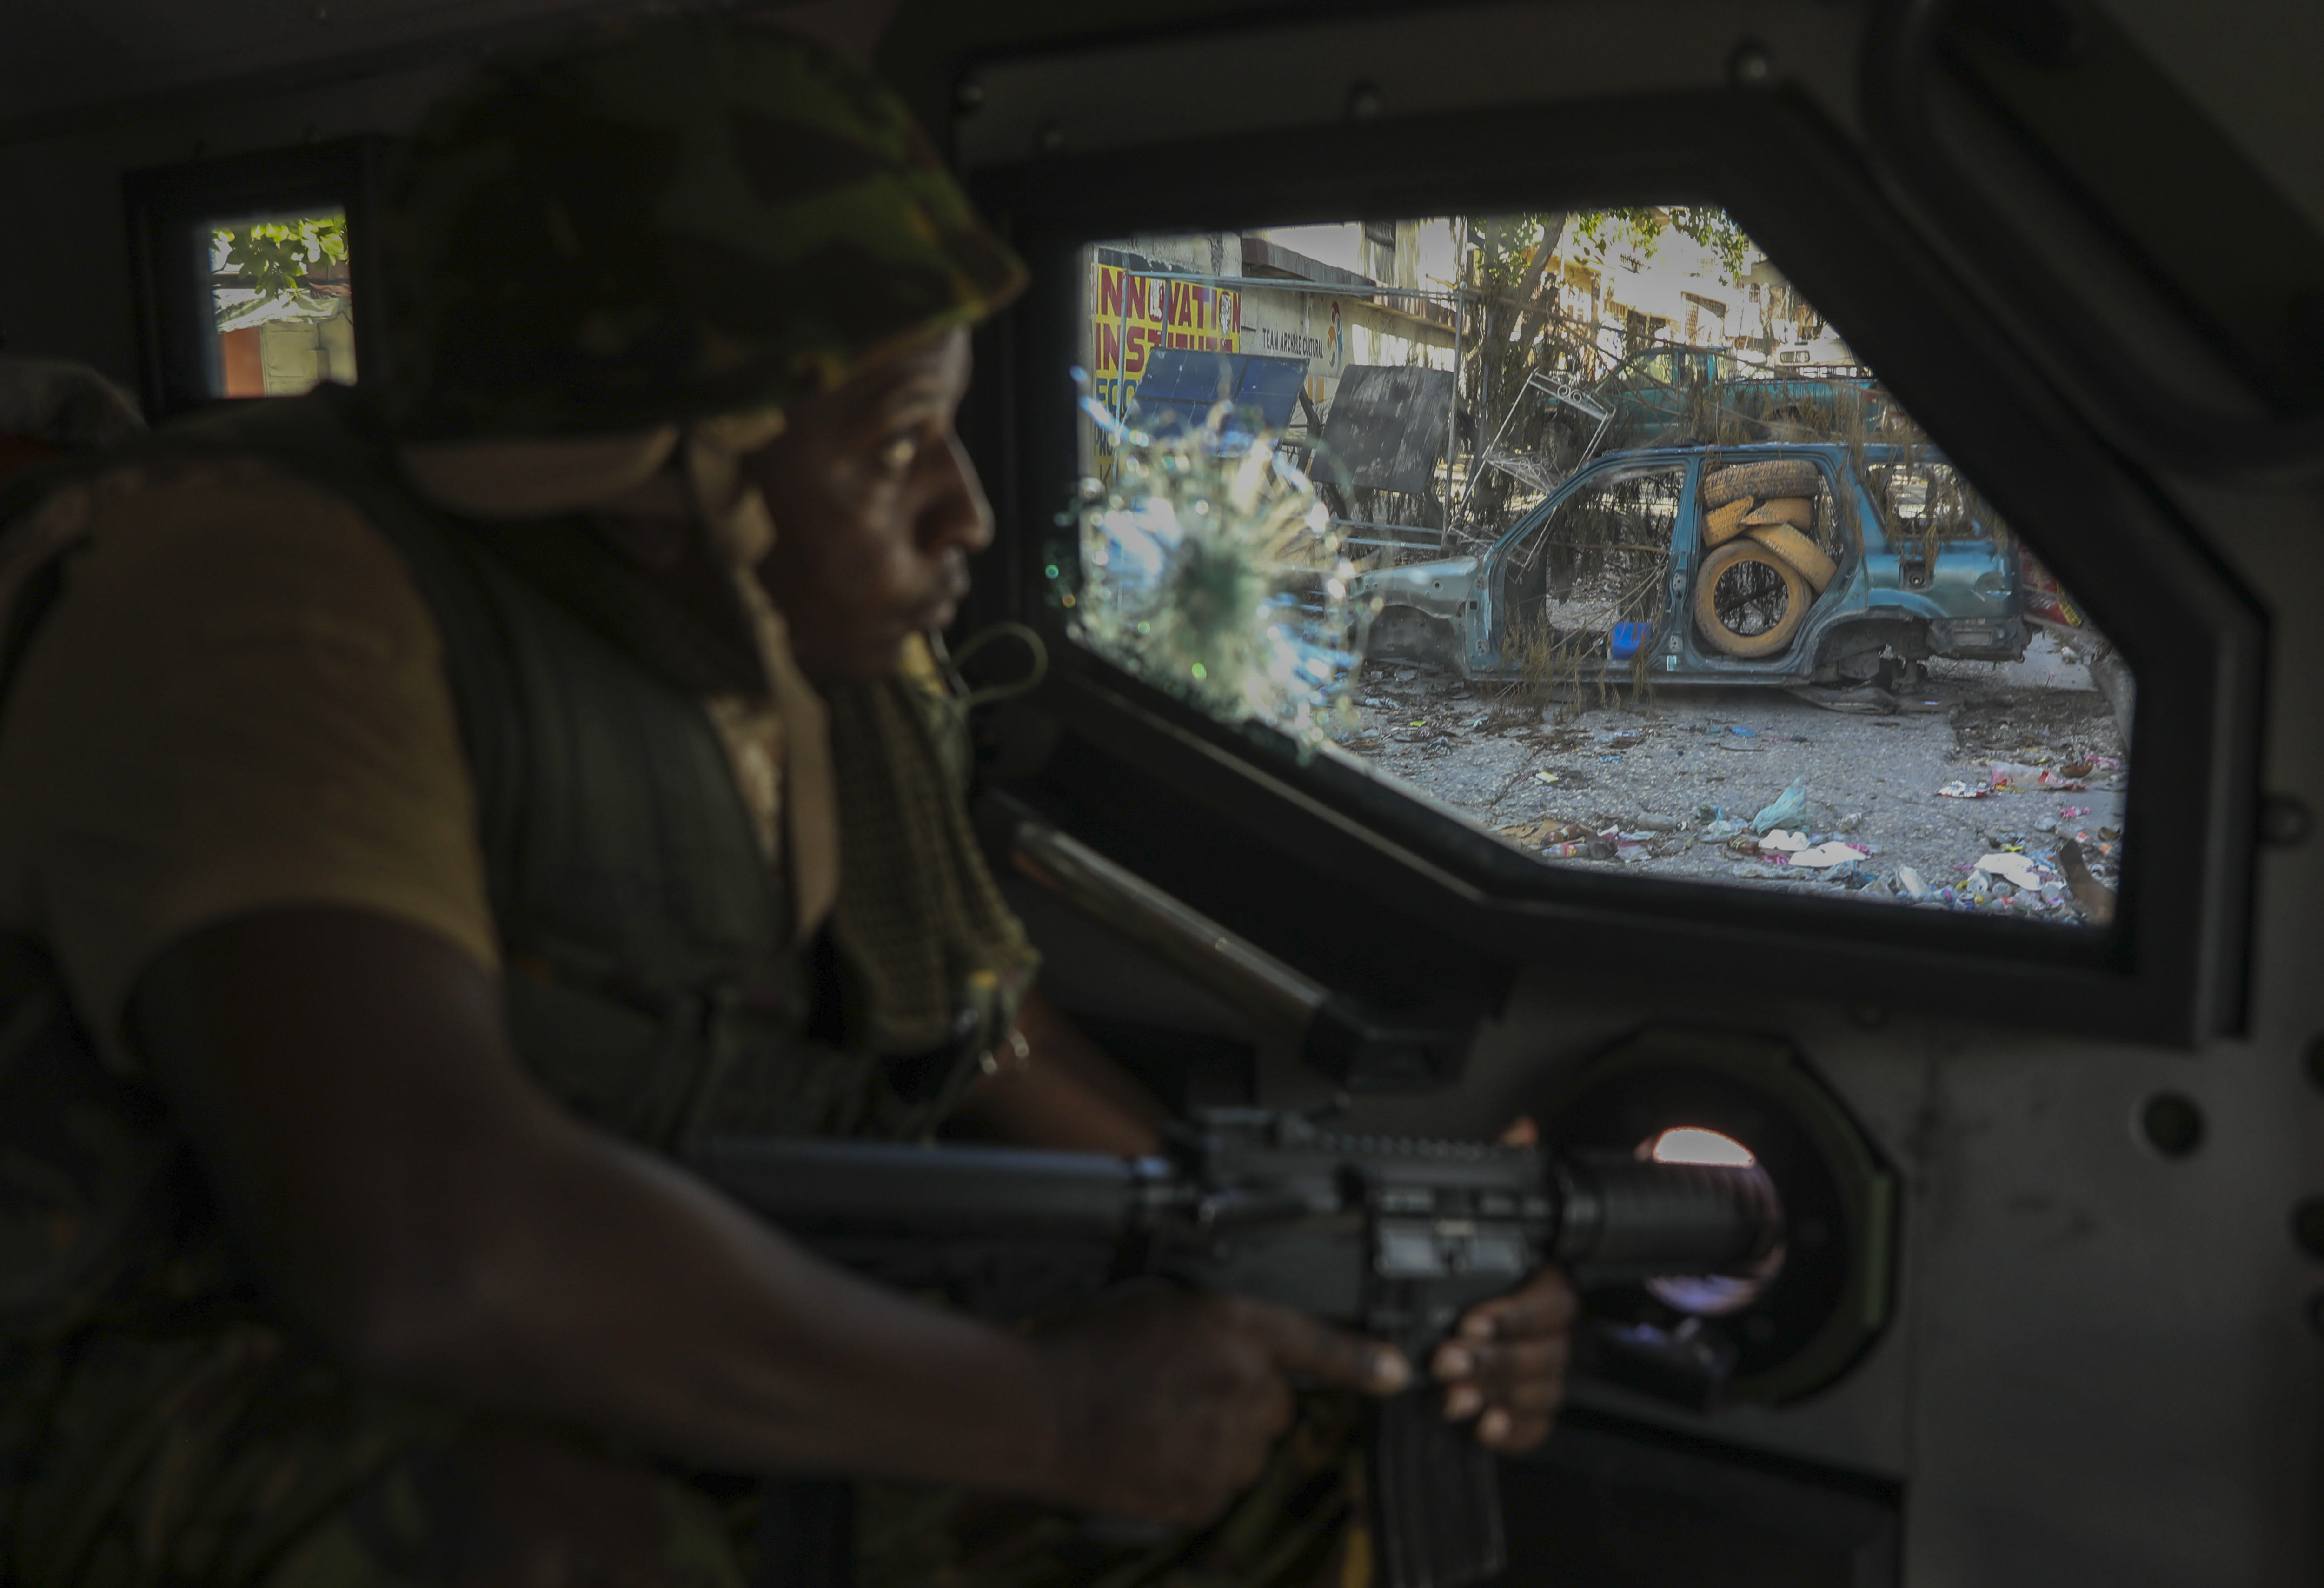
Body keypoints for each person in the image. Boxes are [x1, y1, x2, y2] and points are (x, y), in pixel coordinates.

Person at [0, 20, 1573, 1586]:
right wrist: (1045, 1417)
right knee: (561, 1550)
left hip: (671, 1293)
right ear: (654, 474)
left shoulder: (824, 662)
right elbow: (421, 1243)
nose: (966, 510)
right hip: (191, 1354)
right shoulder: (262, 599)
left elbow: (981, 1030)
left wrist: (1300, 1271)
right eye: (899, 445)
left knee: (1301, 1437)